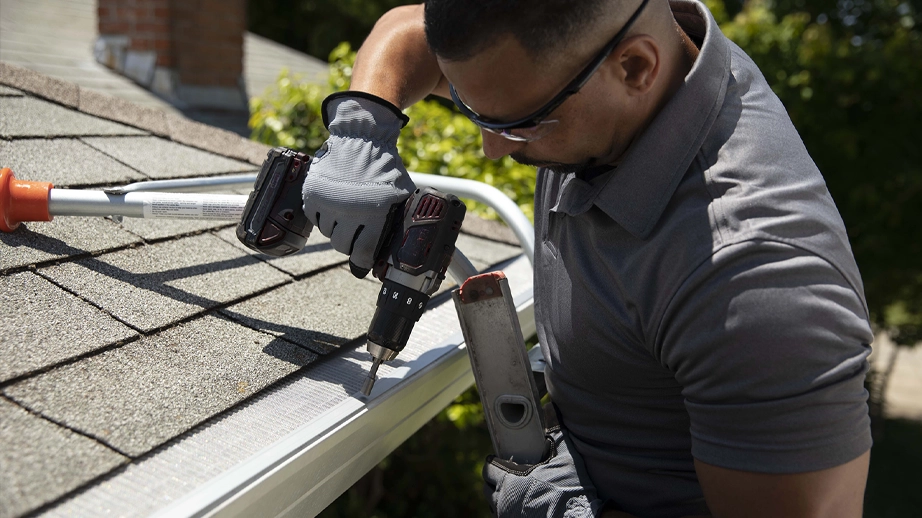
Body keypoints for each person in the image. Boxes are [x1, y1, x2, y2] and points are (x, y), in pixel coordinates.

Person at [301, 0, 874, 516]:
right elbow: (417, 30)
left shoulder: (753, 286)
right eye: (472, 110)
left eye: (518, 122)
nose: (491, 148)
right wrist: (362, 126)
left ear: (635, 67)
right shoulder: (618, 52)